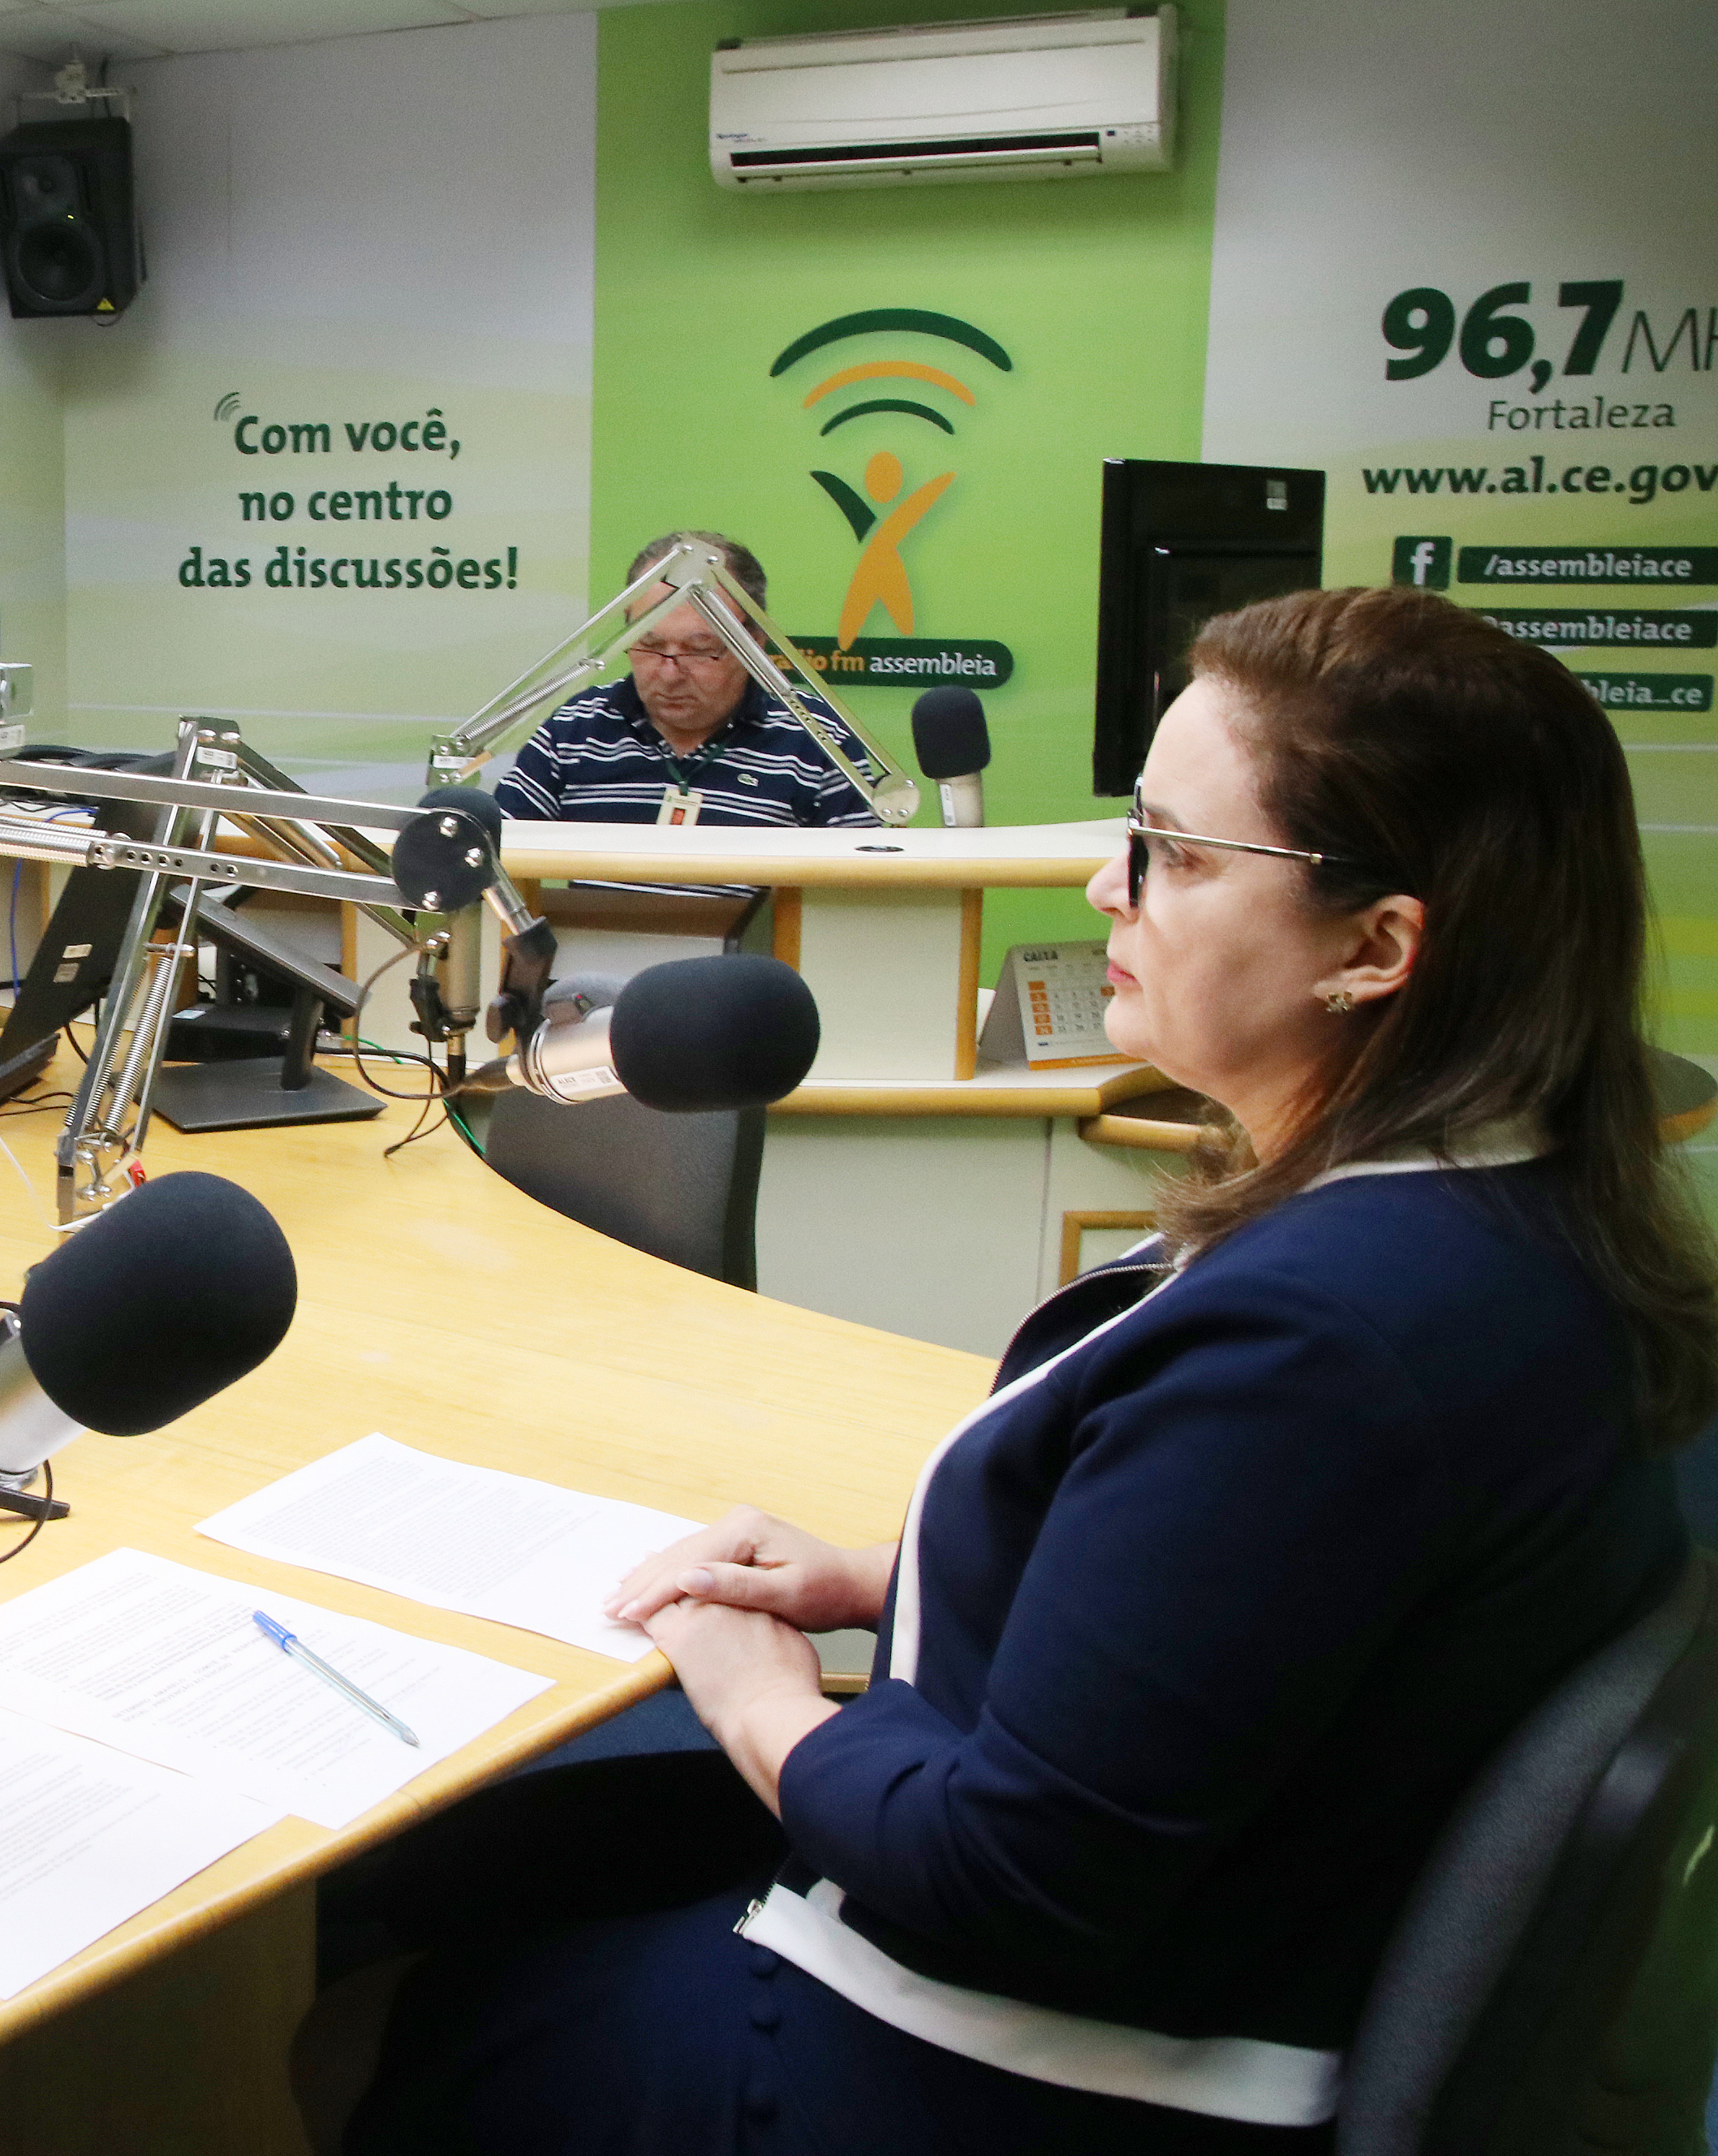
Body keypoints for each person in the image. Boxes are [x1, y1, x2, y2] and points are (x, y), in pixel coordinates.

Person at [312, 585, 1714, 2153]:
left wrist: (750, 1692)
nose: (1107, 884)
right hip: (1220, 1950)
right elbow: (1281, 1597)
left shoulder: (1320, 1347)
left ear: (1374, 947)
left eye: (1173, 853)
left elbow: (1001, 1881)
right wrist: (878, 1576)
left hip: (991, 2073)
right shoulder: (1509, 1221)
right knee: (461, 1872)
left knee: (363, 2013)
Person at [492, 531, 883, 891]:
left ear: (755, 643)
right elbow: (489, 855)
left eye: (699, 650)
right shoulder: (576, 727)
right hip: (596, 943)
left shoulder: (816, 736)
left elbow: (863, 889)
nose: (669, 673)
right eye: (649, 645)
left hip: (755, 947)